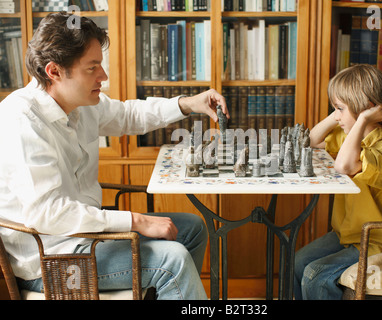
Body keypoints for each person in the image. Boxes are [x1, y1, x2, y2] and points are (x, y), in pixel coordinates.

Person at [0, 12, 229, 300]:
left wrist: (187, 104)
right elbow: (48, 213)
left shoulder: (81, 102)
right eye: (92, 67)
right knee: (173, 260)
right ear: (54, 71)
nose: (103, 76)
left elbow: (129, 115)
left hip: (89, 237)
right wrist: (135, 220)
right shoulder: (20, 119)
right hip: (52, 259)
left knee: (191, 229)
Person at [294, 64, 382, 300]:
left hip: (380, 237)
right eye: (335, 109)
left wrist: (361, 118)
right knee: (299, 260)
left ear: (369, 109)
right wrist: (338, 114)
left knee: (315, 275)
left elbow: (344, 166)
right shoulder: (349, 135)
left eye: (340, 109)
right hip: (349, 232)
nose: (337, 116)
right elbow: (309, 142)